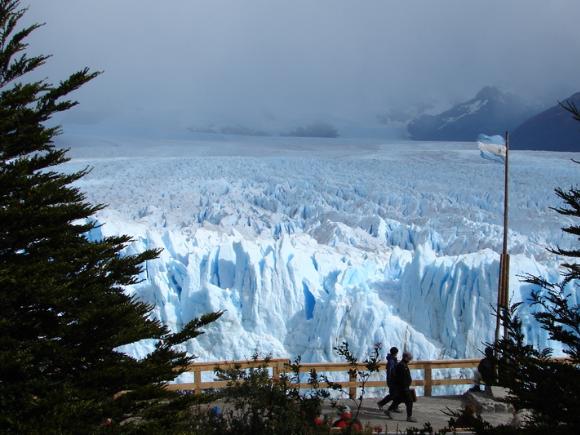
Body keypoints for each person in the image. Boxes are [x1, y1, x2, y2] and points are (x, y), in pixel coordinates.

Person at [384, 351, 417, 423]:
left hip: (402, 387)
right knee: (409, 401)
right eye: (409, 358)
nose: (409, 360)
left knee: (398, 400)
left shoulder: (403, 364)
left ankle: (388, 410)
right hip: (403, 387)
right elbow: (400, 378)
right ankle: (409, 417)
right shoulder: (402, 365)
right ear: (405, 357)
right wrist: (404, 386)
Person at [377, 346, 400, 411]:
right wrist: (390, 381)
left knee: (396, 394)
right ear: (395, 353)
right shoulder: (391, 361)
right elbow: (390, 372)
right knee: (393, 395)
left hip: (394, 380)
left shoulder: (393, 360)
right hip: (392, 381)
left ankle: (395, 407)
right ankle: (381, 403)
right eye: (396, 352)